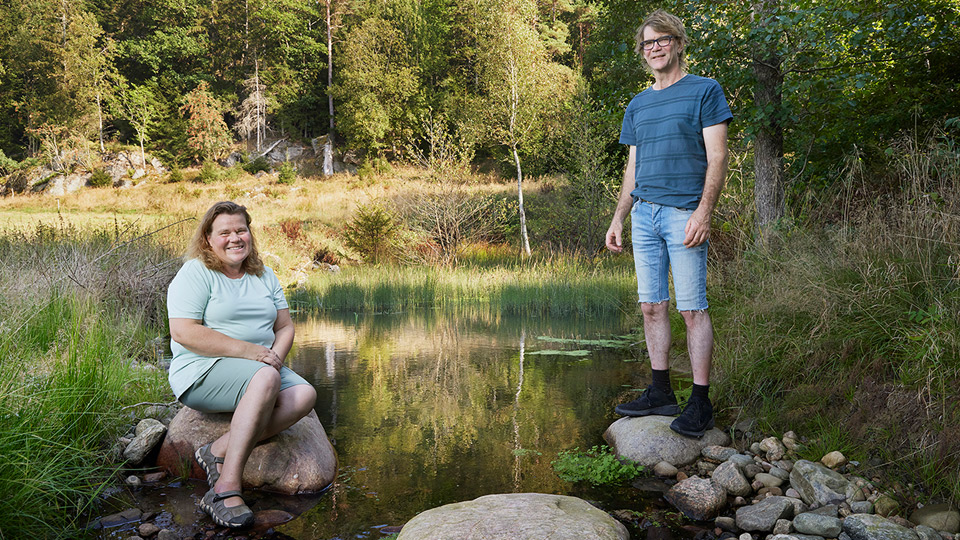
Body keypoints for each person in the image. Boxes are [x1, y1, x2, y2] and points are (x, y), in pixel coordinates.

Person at [605, 10, 732, 438]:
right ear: (642, 53)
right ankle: (660, 392)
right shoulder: (637, 104)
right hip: (643, 215)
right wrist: (619, 216)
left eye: (661, 40)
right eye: (646, 43)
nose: (654, 48)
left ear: (678, 43)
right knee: (651, 306)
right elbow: (632, 169)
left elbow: (717, 157)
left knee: (692, 309)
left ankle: (700, 402)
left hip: (683, 215)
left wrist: (703, 211)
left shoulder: (705, 91)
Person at [167, 201, 317, 528]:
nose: (235, 238)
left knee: (305, 395)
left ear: (249, 233)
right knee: (263, 379)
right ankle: (225, 488)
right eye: (224, 232)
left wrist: (274, 357)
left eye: (241, 230)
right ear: (208, 238)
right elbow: (183, 331)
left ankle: (218, 448)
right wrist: (251, 354)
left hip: (260, 369)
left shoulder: (263, 274)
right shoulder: (196, 272)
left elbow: (285, 327)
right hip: (203, 371)